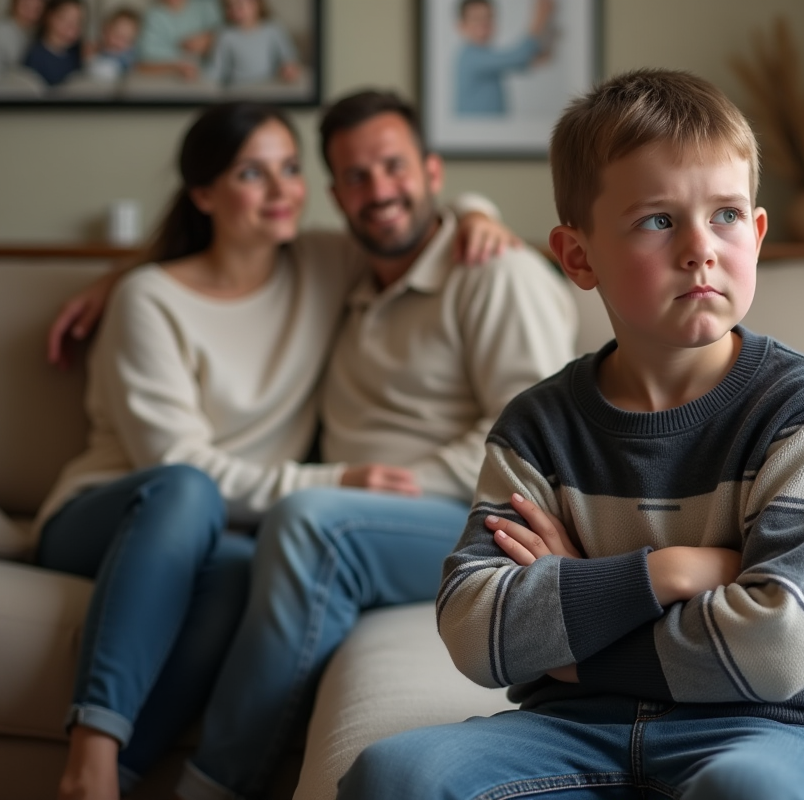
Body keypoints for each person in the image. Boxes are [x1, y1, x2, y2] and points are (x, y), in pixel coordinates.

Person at [338, 68, 804, 800]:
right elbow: (473, 628)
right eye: (658, 220)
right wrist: (670, 572)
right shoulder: (537, 427)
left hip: (767, 726)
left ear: (755, 234)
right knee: (392, 776)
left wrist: (573, 626)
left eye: (724, 214)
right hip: (573, 726)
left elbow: (782, 644)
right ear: (578, 256)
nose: (700, 248)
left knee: (748, 791)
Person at [35, 100, 524, 800]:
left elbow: (408, 217)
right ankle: (90, 753)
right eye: (251, 174)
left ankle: (122, 778)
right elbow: (175, 463)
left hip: (232, 531)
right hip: (123, 515)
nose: (280, 190)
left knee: (241, 568)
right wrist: (120, 279)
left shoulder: (321, 263)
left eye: (290, 169)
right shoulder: (148, 300)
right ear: (204, 194)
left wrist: (478, 212)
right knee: (186, 492)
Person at [454, 0, 555, 116]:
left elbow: (520, 63)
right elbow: (517, 57)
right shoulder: (470, 56)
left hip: (488, 125)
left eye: (489, 17)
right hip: (476, 126)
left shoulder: (486, 57)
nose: (484, 23)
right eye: (476, 18)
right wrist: (540, 17)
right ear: (462, 25)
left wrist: (535, 56)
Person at [207, 0, 301, 88]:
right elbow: (217, 68)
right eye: (229, 7)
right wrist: (202, 75)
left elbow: (288, 54)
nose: (234, 12)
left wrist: (289, 66)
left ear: (256, 4)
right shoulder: (225, 35)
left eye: (240, 6)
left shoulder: (273, 29)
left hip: (269, 85)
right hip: (238, 88)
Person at [135, 0, 222, 82]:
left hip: (211, 76)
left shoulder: (206, 5)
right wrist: (176, 68)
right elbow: (143, 64)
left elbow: (224, 33)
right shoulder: (153, 17)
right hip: (169, 81)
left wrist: (209, 39)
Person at [0, 0, 45, 92]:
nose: (30, 13)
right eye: (26, 6)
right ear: (14, 5)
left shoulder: (24, 35)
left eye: (36, 9)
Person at [22, 0, 85, 87]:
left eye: (78, 22)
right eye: (65, 19)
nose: (72, 26)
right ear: (50, 17)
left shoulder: (78, 51)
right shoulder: (35, 57)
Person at [86, 7, 141, 83]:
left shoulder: (129, 54)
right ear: (106, 31)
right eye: (117, 36)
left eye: (127, 40)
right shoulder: (100, 49)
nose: (120, 43)